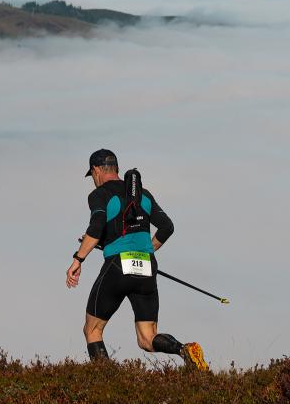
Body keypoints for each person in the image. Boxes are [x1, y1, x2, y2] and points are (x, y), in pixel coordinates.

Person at [65, 149, 207, 370]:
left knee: (92, 330)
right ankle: (184, 349)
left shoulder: (99, 195)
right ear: (117, 169)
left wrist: (78, 259)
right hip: (147, 267)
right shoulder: (144, 194)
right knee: (148, 339)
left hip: (117, 266)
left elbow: (96, 227)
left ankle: (107, 383)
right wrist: (146, 251)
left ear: (96, 171)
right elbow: (167, 227)